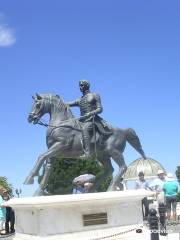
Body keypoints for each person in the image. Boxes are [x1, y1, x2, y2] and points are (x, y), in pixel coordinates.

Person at [66, 80, 111, 158]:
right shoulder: (80, 99)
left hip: (93, 119)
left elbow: (100, 109)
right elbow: (68, 104)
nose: (80, 87)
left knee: (85, 129)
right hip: (82, 120)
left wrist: (90, 113)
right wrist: (59, 101)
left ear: (87, 85)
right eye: (80, 86)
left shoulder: (94, 95)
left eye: (82, 85)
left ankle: (88, 153)